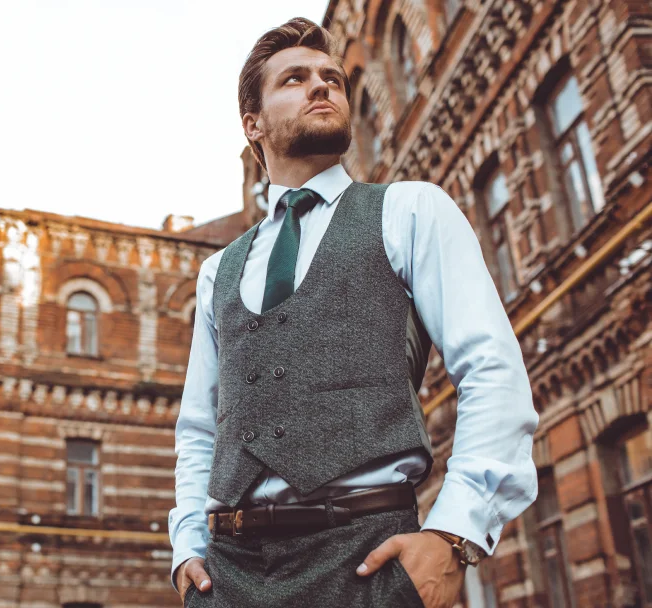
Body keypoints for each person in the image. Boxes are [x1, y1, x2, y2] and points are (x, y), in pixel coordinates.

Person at [168, 17, 539, 608]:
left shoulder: (410, 210)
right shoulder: (219, 272)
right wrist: (186, 545)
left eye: (332, 78)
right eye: (295, 78)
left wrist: (454, 533)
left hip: (367, 561)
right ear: (253, 123)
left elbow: (492, 369)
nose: (322, 86)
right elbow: (199, 428)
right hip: (229, 575)